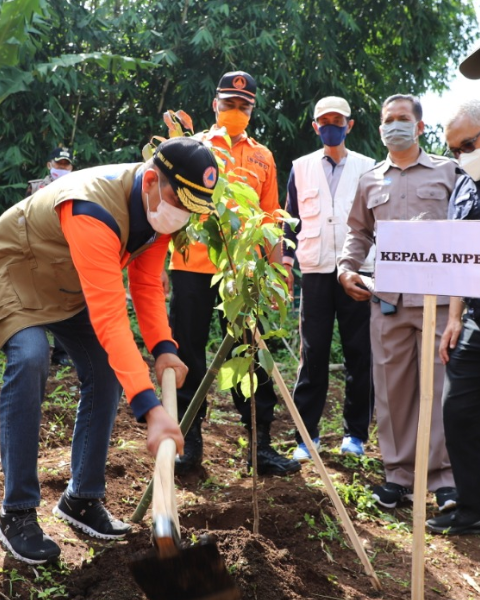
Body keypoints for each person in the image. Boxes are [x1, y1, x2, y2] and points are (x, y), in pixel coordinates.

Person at [0, 137, 219, 565]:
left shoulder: (160, 214)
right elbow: (110, 316)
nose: (184, 214)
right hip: (12, 268)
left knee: (103, 368)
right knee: (30, 358)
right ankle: (18, 513)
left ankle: (81, 499)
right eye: (180, 199)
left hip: (66, 278)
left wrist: (163, 348)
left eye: (194, 206)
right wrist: (152, 410)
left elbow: (147, 287)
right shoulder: (91, 208)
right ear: (152, 180)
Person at [168, 70, 301, 477]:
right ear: (215, 105)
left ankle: (259, 445)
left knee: (252, 351)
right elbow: (169, 206)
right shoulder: (193, 146)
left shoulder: (264, 156)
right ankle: (188, 443)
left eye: (244, 106)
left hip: (244, 271)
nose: (236, 111)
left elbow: (272, 216)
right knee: (186, 351)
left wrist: (280, 269)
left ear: (252, 110)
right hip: (191, 264)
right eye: (229, 104)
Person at [338, 94, 458, 511]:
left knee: (442, 387)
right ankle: (399, 477)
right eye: (388, 120)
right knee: (392, 388)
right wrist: (345, 268)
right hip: (388, 298)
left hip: (441, 300)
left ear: (420, 127)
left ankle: (444, 479)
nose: (394, 126)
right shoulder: (371, 179)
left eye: (403, 119)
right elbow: (358, 232)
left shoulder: (449, 171)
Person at [282, 97, 375, 462]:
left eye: (338, 121)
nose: (331, 126)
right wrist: (285, 265)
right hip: (317, 272)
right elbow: (290, 220)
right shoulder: (301, 168)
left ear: (350, 125)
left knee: (359, 353)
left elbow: (375, 221)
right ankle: (307, 437)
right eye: (324, 121)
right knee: (313, 353)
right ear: (315, 126)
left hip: (359, 271)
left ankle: (356, 435)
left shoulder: (369, 168)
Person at [426, 100, 480, 535]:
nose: (460, 155)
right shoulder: (465, 185)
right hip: (475, 315)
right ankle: (471, 506)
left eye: (467, 145)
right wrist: (454, 317)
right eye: (454, 149)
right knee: (458, 409)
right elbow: (460, 255)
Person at [26, 146, 76, 367]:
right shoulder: (36, 187)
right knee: (37, 298)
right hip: (39, 250)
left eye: (66, 165)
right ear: (49, 165)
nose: (62, 168)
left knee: (65, 300)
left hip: (67, 251)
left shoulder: (82, 186)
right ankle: (33, 350)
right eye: (59, 164)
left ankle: (62, 353)